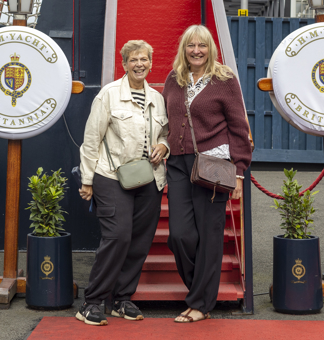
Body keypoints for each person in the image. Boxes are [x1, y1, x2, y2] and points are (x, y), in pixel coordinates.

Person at [162, 25, 252, 323]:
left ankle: (200, 304)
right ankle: (198, 291)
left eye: (202, 45)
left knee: (210, 235)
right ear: (184, 49)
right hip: (178, 164)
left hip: (213, 165)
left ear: (210, 48)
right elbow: (166, 120)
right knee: (180, 235)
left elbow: (239, 126)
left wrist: (239, 172)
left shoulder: (224, 79)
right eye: (191, 46)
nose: (196, 51)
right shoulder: (173, 79)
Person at [77, 40, 169, 326]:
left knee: (140, 241)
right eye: (133, 60)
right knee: (118, 236)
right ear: (124, 64)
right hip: (111, 175)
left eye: (144, 59)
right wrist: (87, 180)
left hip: (149, 177)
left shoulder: (157, 97)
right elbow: (92, 139)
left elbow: (164, 133)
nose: (139, 64)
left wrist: (163, 147)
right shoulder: (109, 95)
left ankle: (121, 299)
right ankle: (92, 302)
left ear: (151, 63)